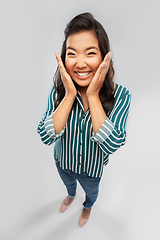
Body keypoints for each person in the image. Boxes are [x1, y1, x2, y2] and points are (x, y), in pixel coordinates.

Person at [37, 12, 131, 227]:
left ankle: (87, 206)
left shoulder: (122, 96)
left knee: (91, 193)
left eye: (90, 53)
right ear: (64, 57)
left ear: (104, 57)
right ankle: (70, 196)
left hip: (92, 170)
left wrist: (93, 96)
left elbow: (113, 144)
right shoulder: (59, 92)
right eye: (72, 54)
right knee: (68, 184)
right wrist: (70, 95)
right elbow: (45, 135)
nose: (80, 63)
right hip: (63, 161)